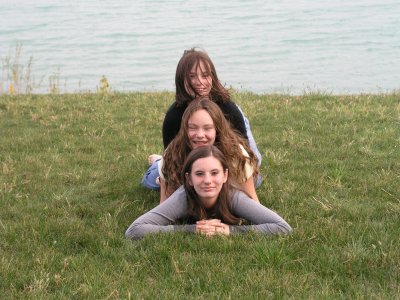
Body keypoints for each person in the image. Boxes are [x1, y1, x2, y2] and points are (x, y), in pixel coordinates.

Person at [141, 47, 262, 191]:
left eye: (205, 75)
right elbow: (172, 158)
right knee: (153, 182)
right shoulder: (174, 116)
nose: (199, 82)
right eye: (192, 76)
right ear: (181, 79)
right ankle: (157, 162)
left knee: (254, 180)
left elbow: (244, 155)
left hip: (229, 157)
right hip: (191, 163)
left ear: (213, 77)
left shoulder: (228, 108)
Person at [126, 145, 291, 240]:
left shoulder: (234, 197)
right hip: (160, 172)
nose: (207, 180)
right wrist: (193, 230)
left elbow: (283, 228)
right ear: (188, 179)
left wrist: (230, 231)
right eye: (199, 174)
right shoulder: (183, 197)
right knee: (151, 181)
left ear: (225, 175)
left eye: (214, 173)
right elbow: (134, 230)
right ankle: (157, 161)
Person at [159, 97, 259, 203]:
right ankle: (155, 163)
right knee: (151, 180)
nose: (200, 135)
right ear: (185, 129)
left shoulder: (238, 156)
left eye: (207, 128)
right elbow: (164, 207)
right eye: (192, 128)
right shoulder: (171, 156)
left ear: (217, 129)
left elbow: (253, 203)